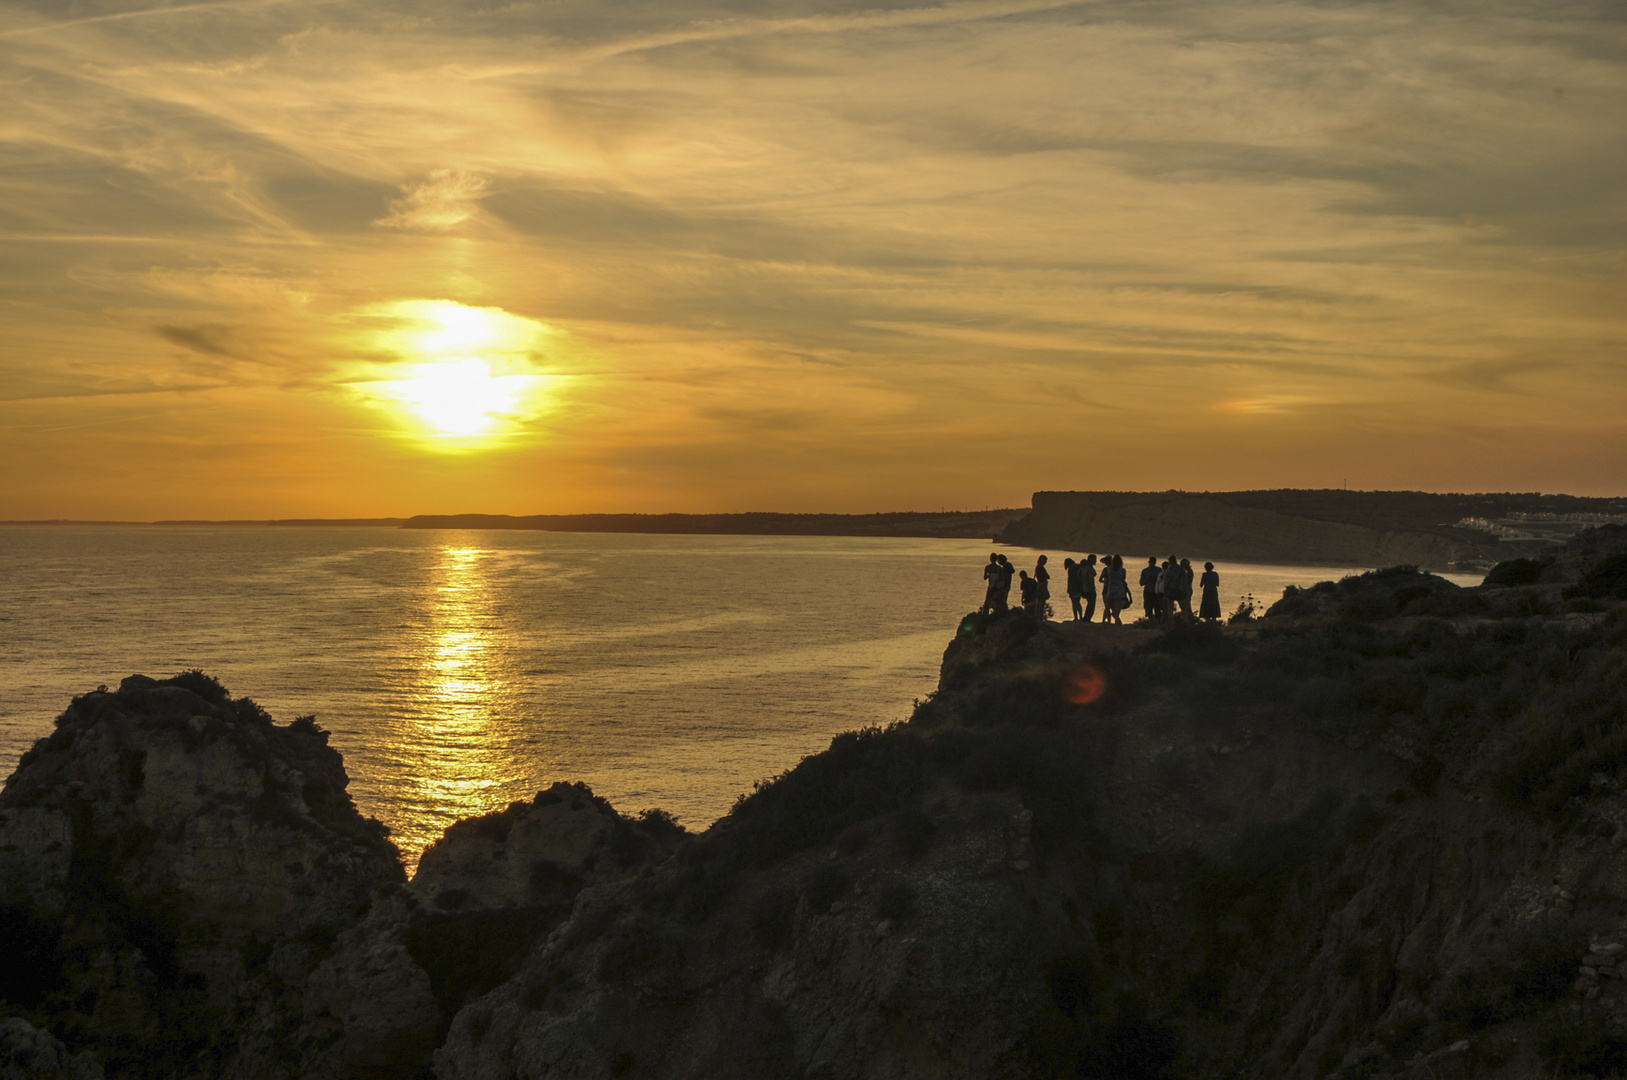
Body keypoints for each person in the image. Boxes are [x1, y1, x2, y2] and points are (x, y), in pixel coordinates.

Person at [1105, 555, 1129, 625]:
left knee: (1110, 608)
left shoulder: (1108, 569)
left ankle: (1115, 623)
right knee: (1116, 611)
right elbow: (1123, 580)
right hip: (1119, 590)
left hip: (1110, 590)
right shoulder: (1122, 570)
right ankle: (1118, 624)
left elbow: (1108, 579)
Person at [1139, 556, 1161, 621]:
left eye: (1153, 562)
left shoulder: (1159, 570)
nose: (1151, 563)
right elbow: (1141, 583)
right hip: (1147, 591)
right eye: (1150, 562)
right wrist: (1148, 580)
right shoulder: (1145, 571)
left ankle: (1158, 624)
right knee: (1148, 608)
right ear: (1148, 562)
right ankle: (1150, 624)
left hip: (1156, 592)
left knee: (1157, 608)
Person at [1081, 554, 1099, 623]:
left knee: (1090, 603)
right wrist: (1092, 586)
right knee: (1091, 604)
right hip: (1089, 589)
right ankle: (1087, 618)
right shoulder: (1089, 568)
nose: (1096, 561)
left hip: (1085, 588)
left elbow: (1079, 575)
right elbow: (1091, 577)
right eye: (1094, 560)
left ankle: (1086, 617)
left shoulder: (1084, 567)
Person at [1033, 555, 1050, 622]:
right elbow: (1047, 576)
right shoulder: (1041, 568)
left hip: (1039, 584)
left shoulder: (1037, 567)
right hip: (1042, 584)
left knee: (1038, 601)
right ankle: (1040, 617)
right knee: (1042, 601)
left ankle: (1037, 617)